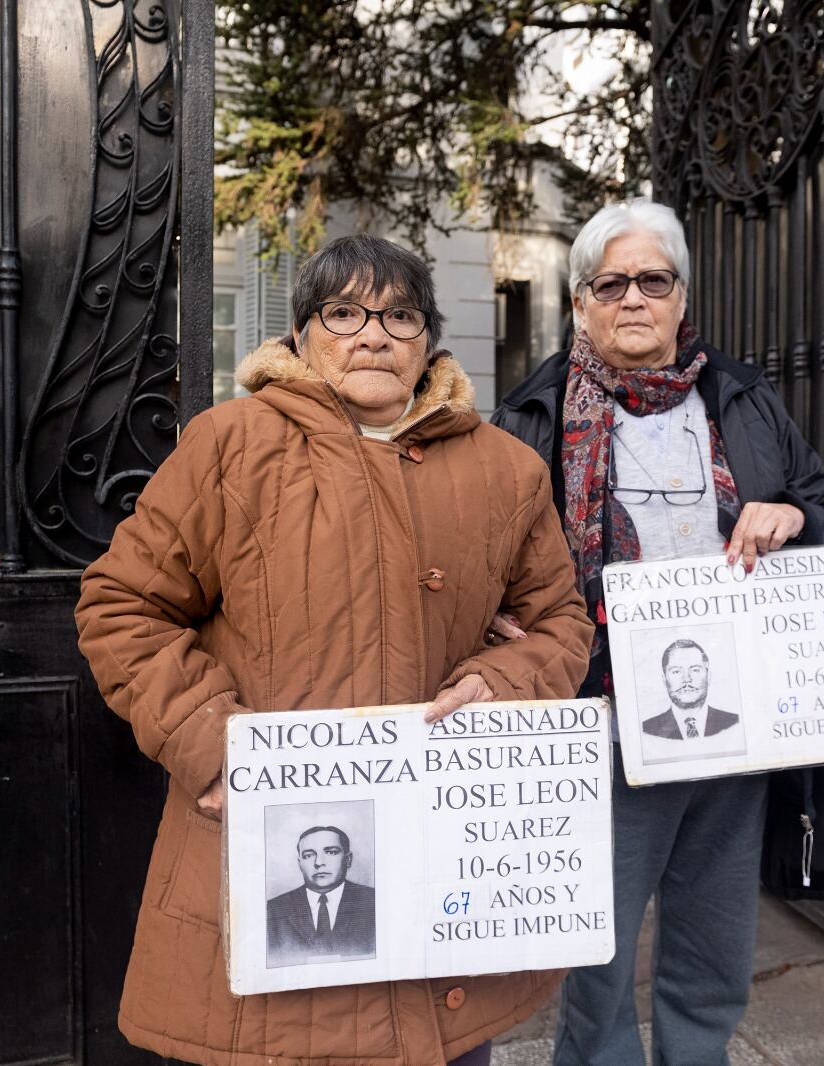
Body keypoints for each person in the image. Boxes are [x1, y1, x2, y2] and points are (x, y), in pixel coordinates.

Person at [75, 233, 593, 1066]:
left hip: (442, 888)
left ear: (429, 340)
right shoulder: (229, 446)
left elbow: (563, 622)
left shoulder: (508, 470)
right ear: (303, 334)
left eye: (400, 315)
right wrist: (210, 745)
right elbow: (123, 605)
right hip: (261, 854)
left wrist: (508, 679)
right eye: (344, 312)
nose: (374, 334)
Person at [491, 199, 824, 1066]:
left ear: (683, 297)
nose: (634, 300)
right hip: (600, 714)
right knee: (598, 943)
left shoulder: (745, 400)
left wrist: (792, 517)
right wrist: (495, 614)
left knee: (715, 939)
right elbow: (483, 561)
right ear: (580, 304)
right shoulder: (530, 417)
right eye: (610, 284)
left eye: (654, 280)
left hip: (734, 718)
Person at [266, 825, 376, 966]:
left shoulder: (374, 902)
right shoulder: (273, 909)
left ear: (348, 860)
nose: (318, 863)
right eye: (308, 855)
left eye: (331, 852)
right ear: (300, 864)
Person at [640, 640, 743, 763]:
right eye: (676, 671)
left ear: (708, 676)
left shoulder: (735, 723)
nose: (686, 680)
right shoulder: (646, 730)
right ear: (664, 679)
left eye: (695, 670)